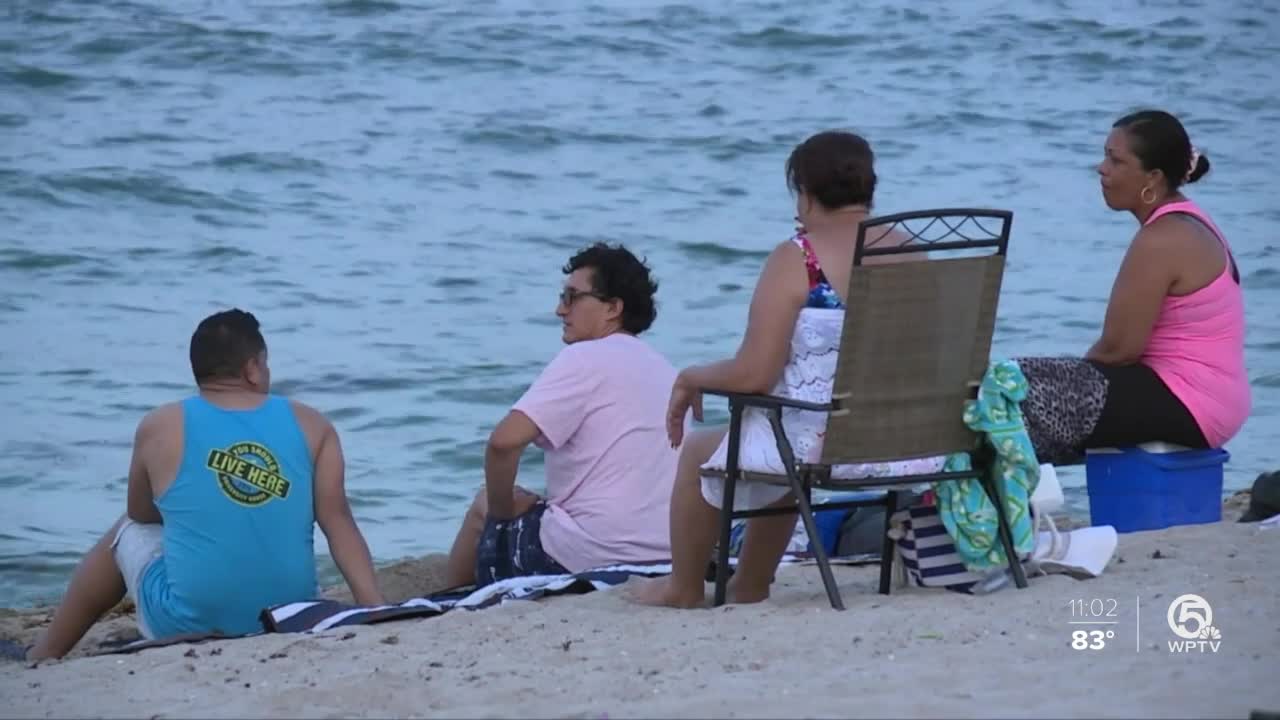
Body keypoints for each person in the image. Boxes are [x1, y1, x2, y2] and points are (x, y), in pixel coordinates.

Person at [627, 130, 947, 609]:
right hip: (915, 443)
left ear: (806, 193)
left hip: (828, 449)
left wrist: (691, 376)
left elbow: (754, 375)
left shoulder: (799, 258)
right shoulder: (913, 253)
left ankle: (684, 588)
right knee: (780, 430)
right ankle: (750, 584)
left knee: (709, 447)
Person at [23, 309, 383, 660]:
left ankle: (45, 652)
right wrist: (374, 609)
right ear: (253, 369)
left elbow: (141, 514)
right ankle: (368, 602)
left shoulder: (160, 425)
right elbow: (339, 524)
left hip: (185, 626)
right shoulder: (313, 425)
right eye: (266, 363)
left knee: (125, 529)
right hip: (292, 617)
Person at [1016, 109, 1250, 465]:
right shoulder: (1189, 221)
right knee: (1024, 388)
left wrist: (1072, 383)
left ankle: (971, 495)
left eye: (1116, 160)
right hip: (1210, 398)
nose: (1102, 169)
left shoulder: (1162, 238)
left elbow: (1119, 350)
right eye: (1105, 157)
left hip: (1190, 400)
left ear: (1152, 177)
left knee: (1006, 389)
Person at [444, 243, 681, 588]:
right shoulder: (667, 371)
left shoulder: (585, 357)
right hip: (669, 552)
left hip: (594, 554)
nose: (559, 310)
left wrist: (502, 509)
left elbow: (503, 444)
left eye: (572, 297)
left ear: (612, 308)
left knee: (486, 504)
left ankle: (449, 599)